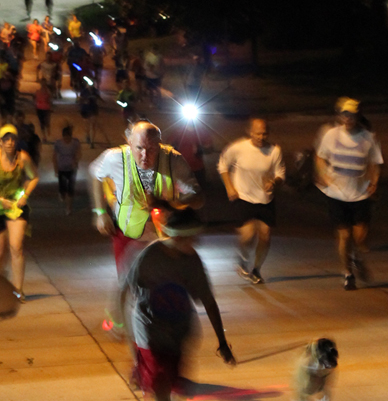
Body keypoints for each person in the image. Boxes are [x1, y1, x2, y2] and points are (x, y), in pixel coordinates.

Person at [119, 208, 236, 401]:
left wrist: (222, 342)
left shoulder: (193, 261)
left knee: (174, 381)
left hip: (180, 329)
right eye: (187, 238)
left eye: (194, 238)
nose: (192, 243)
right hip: (149, 327)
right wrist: (123, 326)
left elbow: (208, 300)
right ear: (175, 235)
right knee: (161, 380)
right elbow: (124, 291)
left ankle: (154, 385)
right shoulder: (149, 256)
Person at [89, 120, 204, 279]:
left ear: (160, 145)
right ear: (129, 143)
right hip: (126, 236)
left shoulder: (173, 160)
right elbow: (96, 174)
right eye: (139, 148)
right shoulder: (115, 158)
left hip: (165, 240)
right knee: (129, 284)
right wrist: (100, 212)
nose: (144, 155)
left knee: (165, 285)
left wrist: (168, 204)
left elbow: (198, 198)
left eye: (151, 149)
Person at [315, 98, 383, 290]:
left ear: (357, 115)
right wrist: (323, 175)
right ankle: (347, 274)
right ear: (340, 115)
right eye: (345, 113)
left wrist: (374, 182)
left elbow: (375, 162)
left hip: (360, 194)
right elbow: (320, 157)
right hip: (336, 194)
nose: (348, 117)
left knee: (360, 238)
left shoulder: (368, 137)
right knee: (344, 236)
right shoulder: (331, 135)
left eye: (352, 114)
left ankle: (357, 257)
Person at [0, 124, 39, 301]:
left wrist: (25, 195)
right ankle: (1, 277)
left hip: (15, 207)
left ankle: (18, 289)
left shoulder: (22, 158)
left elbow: (34, 177)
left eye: (12, 139)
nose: (10, 143)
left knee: (16, 247)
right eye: (6, 139)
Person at [218, 118, 285, 284]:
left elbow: (280, 174)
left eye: (264, 133)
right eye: (257, 133)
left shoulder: (274, 150)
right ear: (250, 132)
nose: (261, 137)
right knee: (248, 235)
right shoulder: (238, 147)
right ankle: (242, 257)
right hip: (243, 197)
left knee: (265, 236)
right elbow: (223, 166)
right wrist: (229, 187)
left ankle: (256, 270)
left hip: (265, 199)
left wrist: (274, 182)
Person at [168, 120, 213, 188]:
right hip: (182, 166)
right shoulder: (179, 131)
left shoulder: (200, 131)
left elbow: (209, 146)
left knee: (200, 189)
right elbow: (168, 144)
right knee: (184, 189)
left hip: (197, 166)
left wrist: (200, 148)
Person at [53, 125, 81, 215]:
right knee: (62, 188)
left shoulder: (75, 143)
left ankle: (68, 208)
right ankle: (61, 193)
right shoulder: (58, 144)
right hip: (61, 168)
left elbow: (79, 152)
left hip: (72, 169)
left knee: (70, 188)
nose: (67, 139)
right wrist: (55, 168)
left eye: (68, 137)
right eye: (65, 137)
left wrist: (76, 161)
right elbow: (54, 156)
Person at [79, 80, 101, 148]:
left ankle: (92, 141)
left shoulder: (95, 91)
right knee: (87, 125)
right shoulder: (84, 91)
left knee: (93, 125)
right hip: (85, 109)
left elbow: (98, 98)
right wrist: (85, 101)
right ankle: (87, 135)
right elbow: (80, 99)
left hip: (93, 109)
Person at [35, 78, 51, 143]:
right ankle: (44, 136)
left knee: (46, 122)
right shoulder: (38, 91)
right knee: (42, 123)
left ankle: (47, 132)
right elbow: (36, 100)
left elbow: (50, 100)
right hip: (40, 108)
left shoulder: (48, 91)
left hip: (46, 108)